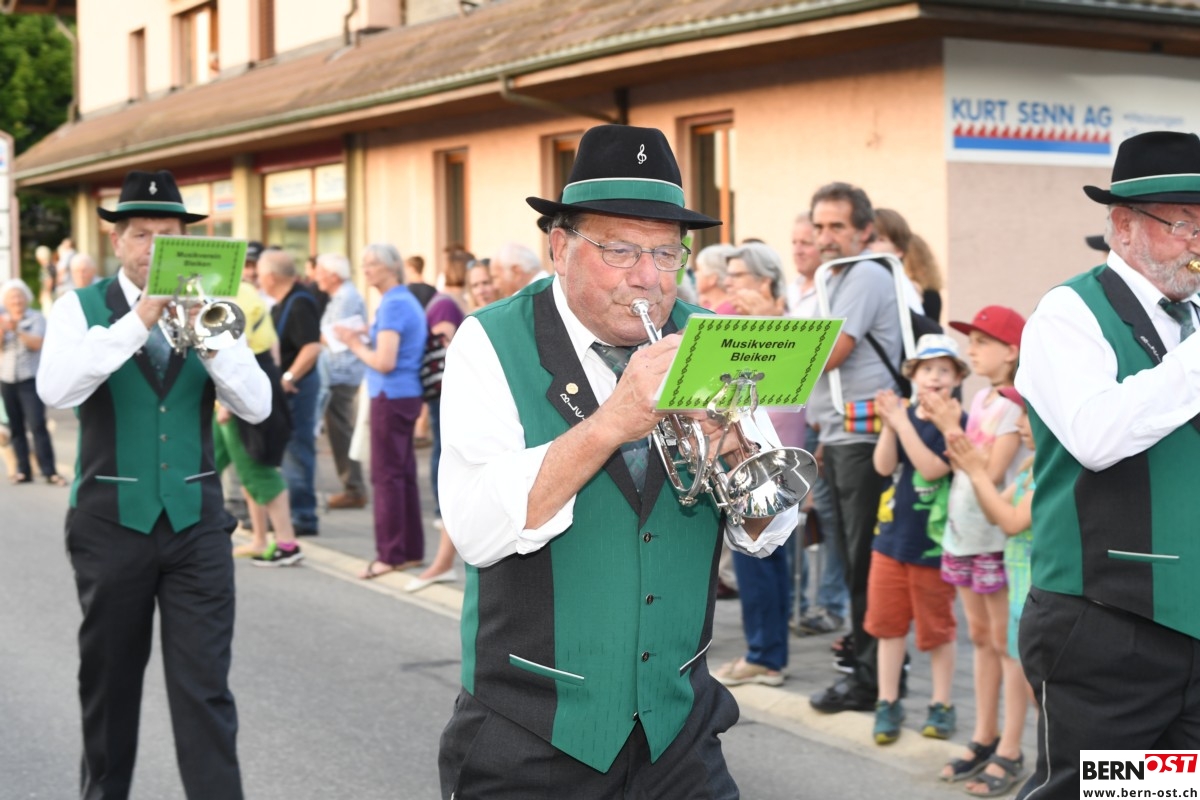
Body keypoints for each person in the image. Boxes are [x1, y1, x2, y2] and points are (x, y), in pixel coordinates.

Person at [437, 124, 798, 798]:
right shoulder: (488, 342)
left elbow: (768, 531)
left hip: (679, 729)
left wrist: (731, 448)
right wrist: (609, 424)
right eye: (620, 250)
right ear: (560, 247)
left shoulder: (708, 338)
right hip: (531, 731)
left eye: (666, 253)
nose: (649, 278)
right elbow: (478, 532)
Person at [35, 169, 270, 799]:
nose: (154, 248)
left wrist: (211, 342)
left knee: (205, 689)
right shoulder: (79, 308)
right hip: (110, 522)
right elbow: (55, 390)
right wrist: (139, 319)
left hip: (197, 523)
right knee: (109, 686)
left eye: (168, 235)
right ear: (117, 241)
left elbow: (257, 406)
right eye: (141, 235)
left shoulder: (213, 305)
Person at [1013, 130, 1200, 797]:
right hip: (1108, 623)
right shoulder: (1068, 313)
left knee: (1170, 791)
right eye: (1186, 226)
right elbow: (1096, 437)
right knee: (1096, 793)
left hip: (1192, 624)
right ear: (1124, 227)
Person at [806, 181, 903, 714]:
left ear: (864, 231)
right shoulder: (836, 277)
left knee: (864, 563)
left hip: (864, 439)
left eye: (837, 226)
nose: (825, 237)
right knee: (852, 560)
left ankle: (871, 680)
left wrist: (762, 355)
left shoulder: (864, 273)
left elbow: (830, 352)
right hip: (840, 435)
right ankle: (870, 670)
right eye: (819, 226)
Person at [928, 304, 1026, 784]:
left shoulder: (1013, 404)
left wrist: (950, 426)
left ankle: (1011, 747)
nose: (972, 351)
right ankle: (985, 734)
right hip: (964, 534)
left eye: (983, 342)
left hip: (993, 539)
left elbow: (989, 470)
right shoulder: (984, 397)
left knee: (1008, 646)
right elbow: (960, 464)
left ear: (1011, 351)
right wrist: (949, 426)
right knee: (982, 639)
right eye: (971, 341)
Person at [867, 334, 966, 745]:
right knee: (887, 627)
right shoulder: (904, 415)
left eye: (944, 369)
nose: (935, 377)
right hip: (890, 539)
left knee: (937, 630)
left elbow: (931, 469)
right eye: (927, 369)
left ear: (958, 378)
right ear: (913, 375)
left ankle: (942, 703)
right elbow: (883, 466)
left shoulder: (955, 421)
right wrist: (891, 425)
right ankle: (886, 701)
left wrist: (902, 422)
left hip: (934, 546)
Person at [711, 242, 795, 688]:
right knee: (766, 558)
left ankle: (765, 654)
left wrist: (766, 321)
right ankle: (768, 652)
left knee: (758, 555)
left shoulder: (784, 320)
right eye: (728, 276)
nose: (730, 284)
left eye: (738, 276)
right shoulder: (733, 315)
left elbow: (791, 378)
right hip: (749, 443)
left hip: (769, 446)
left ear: (764, 281)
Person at [946, 384, 1035, 797]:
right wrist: (969, 463)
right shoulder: (1028, 467)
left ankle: (1020, 753)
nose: (1020, 424)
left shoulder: (1043, 471)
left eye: (1028, 416)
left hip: (1030, 586)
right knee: (989, 644)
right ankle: (992, 740)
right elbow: (993, 507)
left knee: (1025, 669)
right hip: (1004, 573)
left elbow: (1011, 520)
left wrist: (976, 469)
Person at [335, 243, 427, 580]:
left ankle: (389, 555)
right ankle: (409, 550)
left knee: (387, 477)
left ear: (391, 266)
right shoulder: (403, 300)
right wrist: (364, 334)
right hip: (405, 394)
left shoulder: (393, 304)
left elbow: (384, 361)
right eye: (364, 263)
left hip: (390, 395)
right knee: (402, 475)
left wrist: (353, 344)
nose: (366, 269)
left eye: (372, 263)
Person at [786, 212, 850, 638]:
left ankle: (831, 603)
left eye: (806, 242)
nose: (799, 249)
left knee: (829, 517)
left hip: (825, 419)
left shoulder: (833, 292)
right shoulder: (794, 290)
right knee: (794, 514)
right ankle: (803, 601)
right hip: (798, 418)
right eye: (795, 242)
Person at [214, 277, 304, 566]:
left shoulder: (234, 295)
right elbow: (272, 346)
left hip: (239, 394)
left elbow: (236, 348)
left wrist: (228, 404)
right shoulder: (246, 292)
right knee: (232, 468)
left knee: (256, 468)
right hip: (247, 388)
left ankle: (287, 543)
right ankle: (260, 539)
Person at [411, 248, 469, 591]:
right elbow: (445, 344)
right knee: (447, 453)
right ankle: (441, 514)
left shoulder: (446, 301)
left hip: (450, 389)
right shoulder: (449, 302)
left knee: (446, 452)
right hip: (449, 389)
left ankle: (441, 512)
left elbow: (444, 345)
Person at [259, 249, 324, 536]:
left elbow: (312, 347)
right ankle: (292, 514)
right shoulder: (287, 301)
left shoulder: (299, 302)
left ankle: (303, 516)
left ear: (271, 276)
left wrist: (288, 377)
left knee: (297, 450)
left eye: (261, 275)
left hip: (299, 388)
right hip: (293, 386)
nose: (259, 281)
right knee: (290, 450)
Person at [313, 253, 369, 510]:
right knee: (340, 431)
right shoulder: (342, 296)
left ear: (333, 275)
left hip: (341, 373)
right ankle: (352, 487)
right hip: (339, 372)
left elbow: (333, 337)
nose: (316, 277)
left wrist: (320, 337)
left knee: (341, 433)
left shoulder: (346, 297)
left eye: (320, 272)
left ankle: (354, 488)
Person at [1, 279, 63, 485]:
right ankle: (23, 470)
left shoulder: (36, 318)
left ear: (26, 298)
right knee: (15, 427)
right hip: (7, 378)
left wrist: (17, 329)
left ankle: (49, 471)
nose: (16, 301)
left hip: (30, 379)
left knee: (37, 424)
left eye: (19, 296)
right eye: (12, 298)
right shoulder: (2, 318)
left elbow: (37, 344)